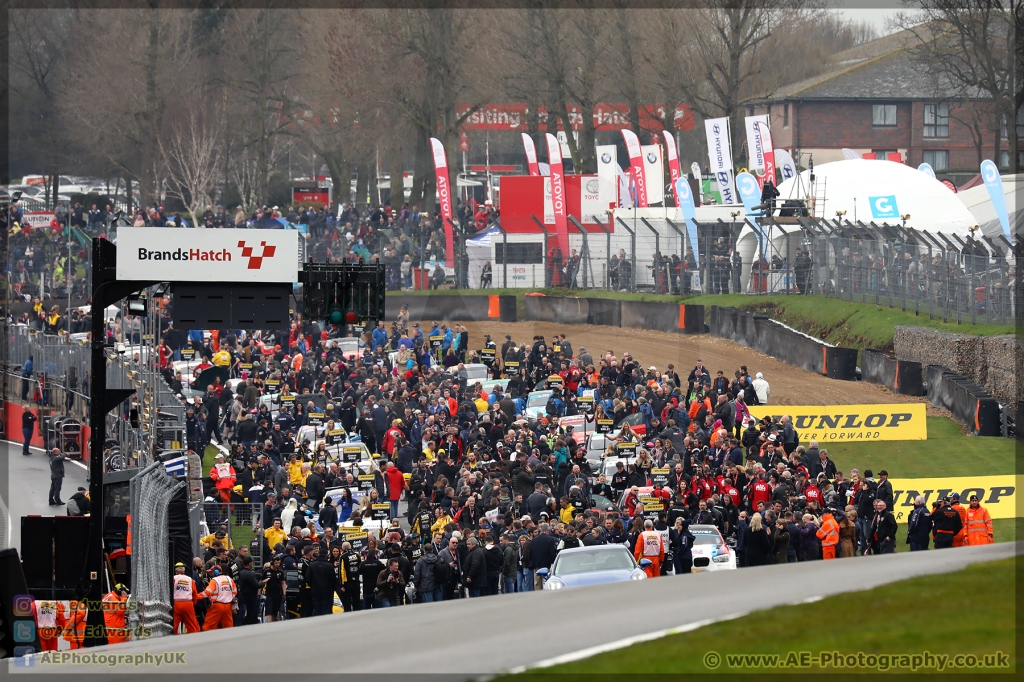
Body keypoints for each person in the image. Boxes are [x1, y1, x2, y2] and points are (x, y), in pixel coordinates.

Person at [172, 562, 201, 634]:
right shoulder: (190, 580)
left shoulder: (173, 579)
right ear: (184, 571)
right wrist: (193, 603)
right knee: (192, 625)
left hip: (176, 603)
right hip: (188, 603)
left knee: (174, 624)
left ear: (176, 571)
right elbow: (194, 593)